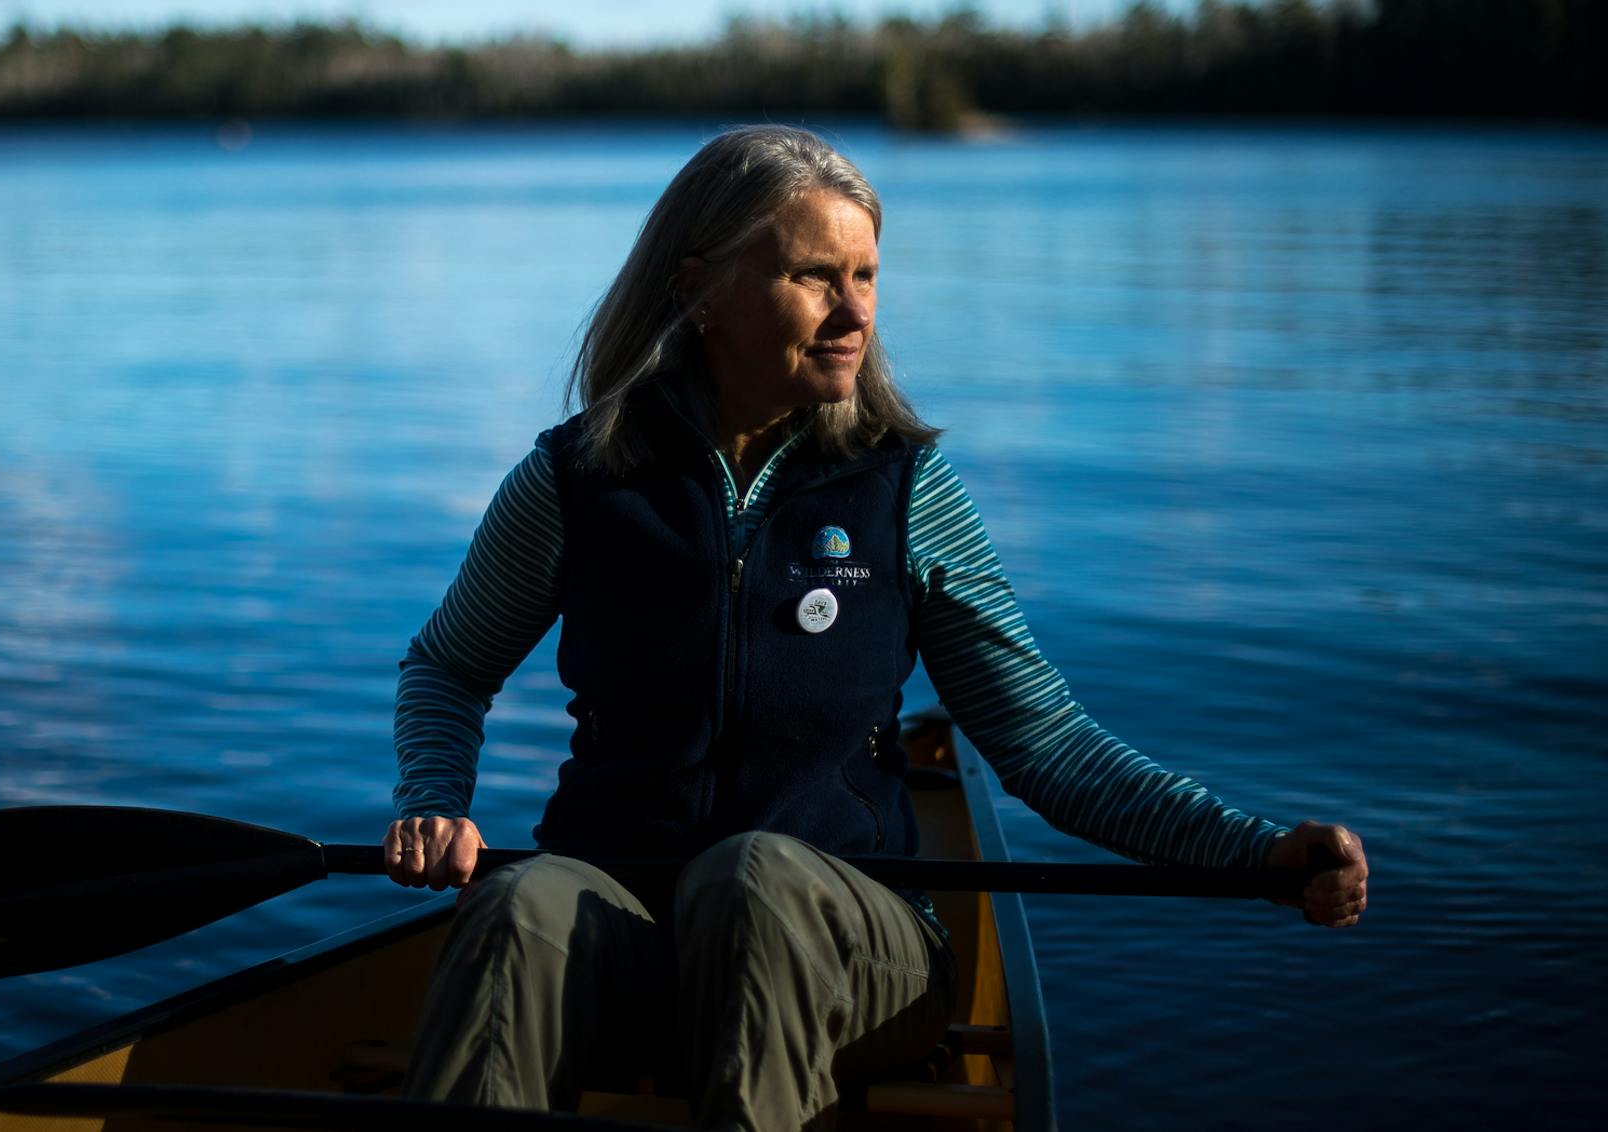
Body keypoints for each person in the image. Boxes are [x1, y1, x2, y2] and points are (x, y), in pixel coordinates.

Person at [379, 125, 1369, 1131]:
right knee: (514, 903)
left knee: (753, 879)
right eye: (816, 277)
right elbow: (448, 668)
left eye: (867, 276)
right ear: (699, 290)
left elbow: (1049, 746)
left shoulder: (904, 489)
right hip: (632, 927)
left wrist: (1254, 854)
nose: (856, 312)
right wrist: (434, 799)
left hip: (866, 946)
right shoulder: (576, 480)